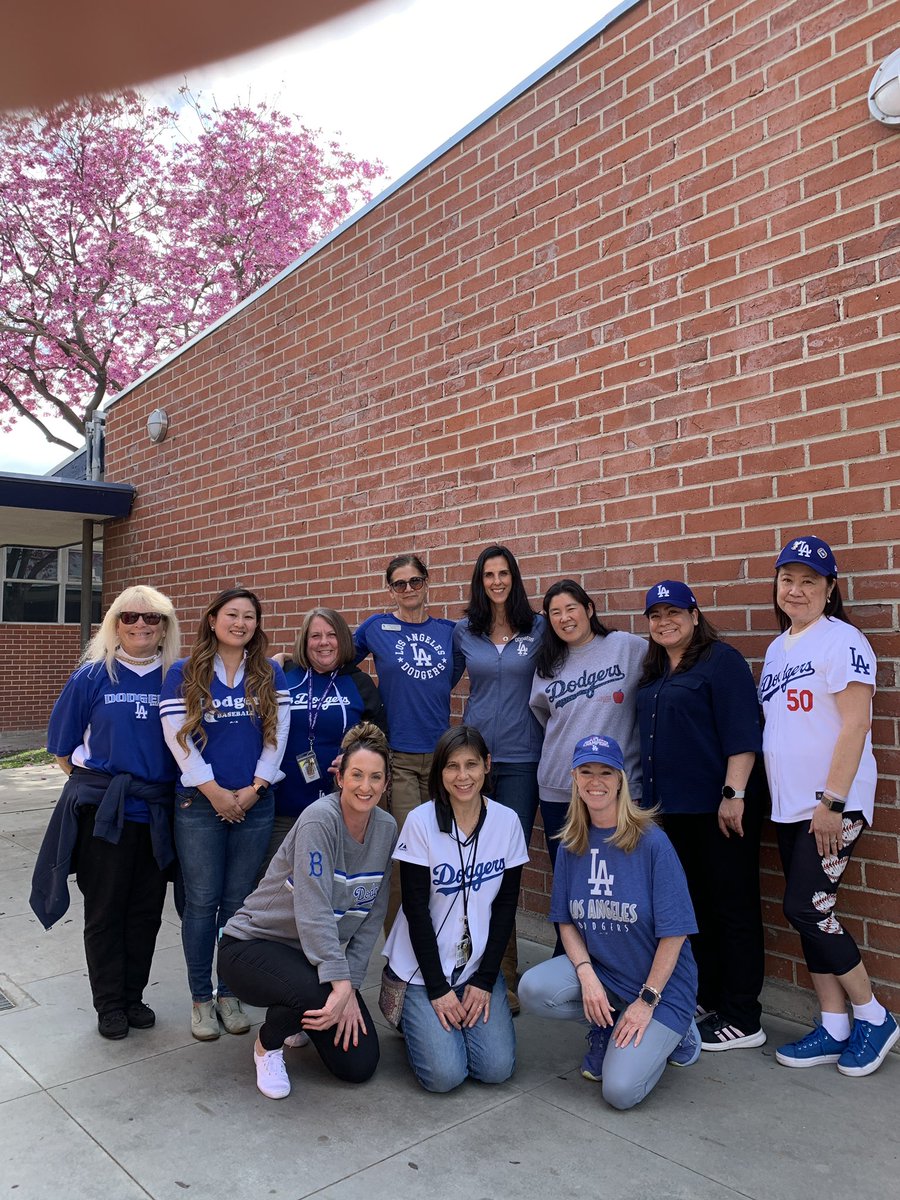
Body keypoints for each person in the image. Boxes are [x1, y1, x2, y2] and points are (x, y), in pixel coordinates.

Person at [760, 535, 897, 1076]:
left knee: (807, 908)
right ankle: (835, 1025)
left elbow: (856, 724)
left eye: (809, 581)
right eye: (787, 580)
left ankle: (874, 1014)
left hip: (831, 805)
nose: (796, 590)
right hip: (791, 806)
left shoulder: (842, 640)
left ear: (830, 589)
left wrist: (832, 802)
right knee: (810, 913)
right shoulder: (778, 648)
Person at [30, 586, 181, 1039]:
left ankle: (133, 997)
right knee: (104, 911)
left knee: (146, 913)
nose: (141, 625)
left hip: (156, 814)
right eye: (130, 617)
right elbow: (62, 751)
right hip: (105, 817)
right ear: (116, 623)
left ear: (164, 628)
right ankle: (110, 1004)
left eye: (151, 619)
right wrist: (99, 788)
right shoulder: (93, 676)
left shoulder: (177, 677)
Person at [518, 734, 700, 1111]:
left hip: (659, 988)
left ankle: (680, 1033)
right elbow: (565, 922)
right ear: (575, 779)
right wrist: (586, 975)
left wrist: (647, 1000)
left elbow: (676, 933)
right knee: (534, 990)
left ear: (621, 779)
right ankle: (608, 1020)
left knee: (619, 1092)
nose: (595, 781)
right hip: (605, 972)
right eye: (586, 771)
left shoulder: (652, 842)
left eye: (605, 772)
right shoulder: (573, 842)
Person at [217, 723, 397, 1098]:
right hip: (251, 946)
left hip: (309, 961)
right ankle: (267, 1045)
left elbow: (371, 918)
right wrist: (339, 984)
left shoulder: (386, 829)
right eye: (357, 775)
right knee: (317, 992)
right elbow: (313, 910)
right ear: (340, 776)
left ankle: (301, 1014)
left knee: (359, 1065)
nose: (366, 786)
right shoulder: (319, 819)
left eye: (375, 778)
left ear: (386, 783)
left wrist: (350, 986)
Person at [637, 579, 765, 1052]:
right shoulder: (654, 673)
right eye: (655, 615)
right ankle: (708, 996)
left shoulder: (720, 661)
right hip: (671, 813)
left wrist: (735, 793)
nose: (664, 621)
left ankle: (743, 1015)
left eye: (674, 612)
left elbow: (743, 733)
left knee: (733, 907)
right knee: (694, 909)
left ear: (694, 615)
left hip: (718, 810)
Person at [160, 587, 290, 1041]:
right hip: (200, 805)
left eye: (249, 616)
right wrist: (216, 793)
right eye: (232, 615)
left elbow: (278, 737)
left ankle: (229, 992)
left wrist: (255, 789)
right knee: (201, 903)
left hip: (255, 804)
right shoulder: (183, 671)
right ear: (212, 620)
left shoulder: (270, 672)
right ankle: (200, 998)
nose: (241, 623)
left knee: (238, 905)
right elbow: (180, 740)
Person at [383, 725, 529, 1092]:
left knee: (496, 1069)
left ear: (487, 766)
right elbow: (415, 909)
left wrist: (483, 981)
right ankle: (409, 1016)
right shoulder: (420, 822)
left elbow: (506, 906)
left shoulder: (507, 822)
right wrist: (437, 988)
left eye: (471, 765)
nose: (462, 776)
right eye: (451, 766)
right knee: (444, 1077)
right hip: (421, 969)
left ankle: (450, 1019)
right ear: (439, 772)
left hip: (475, 965)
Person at [453, 544, 543, 1012]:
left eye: (503, 572)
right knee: (474, 862)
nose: (496, 581)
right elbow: (433, 682)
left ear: (514, 577)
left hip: (525, 761)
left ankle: (503, 976)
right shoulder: (465, 632)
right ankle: (471, 966)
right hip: (476, 763)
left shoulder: (538, 627)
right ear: (480, 580)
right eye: (488, 574)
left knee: (507, 863)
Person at [354, 553, 464, 929]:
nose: (408, 589)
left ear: (426, 583)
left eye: (415, 581)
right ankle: (399, 945)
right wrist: (287, 660)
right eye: (399, 584)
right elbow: (333, 658)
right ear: (390, 590)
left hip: (442, 760)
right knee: (406, 853)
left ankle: (440, 933)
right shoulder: (376, 628)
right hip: (398, 758)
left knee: (445, 849)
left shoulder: (449, 632)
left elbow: (452, 674)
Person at [529, 579, 644, 874]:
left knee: (620, 877)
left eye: (571, 608)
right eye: (555, 612)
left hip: (616, 787)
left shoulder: (627, 647)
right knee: (569, 878)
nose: (564, 618)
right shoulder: (547, 664)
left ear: (589, 609)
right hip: (559, 787)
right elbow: (546, 718)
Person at [262, 607, 387, 872]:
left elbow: (379, 737)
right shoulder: (283, 675)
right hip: (284, 807)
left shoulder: (359, 682)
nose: (324, 642)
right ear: (304, 641)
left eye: (331, 635)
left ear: (342, 639)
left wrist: (354, 756)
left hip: (340, 809)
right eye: (315, 636)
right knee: (275, 885)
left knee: (328, 883)